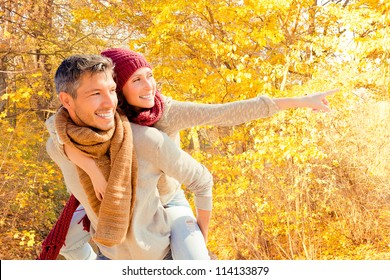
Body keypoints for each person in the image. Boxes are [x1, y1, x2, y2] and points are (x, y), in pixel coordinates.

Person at [40, 48, 336, 260]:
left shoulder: (165, 114)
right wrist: (89, 167)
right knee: (63, 240)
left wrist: (298, 101)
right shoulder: (107, 110)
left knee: (192, 256)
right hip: (123, 194)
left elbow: (227, 113)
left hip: (168, 198)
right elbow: (58, 128)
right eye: (136, 80)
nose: (149, 86)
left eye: (150, 76)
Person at [42, 54, 213, 260]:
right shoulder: (58, 147)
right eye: (96, 93)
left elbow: (201, 181)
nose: (109, 103)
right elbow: (57, 130)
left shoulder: (145, 140)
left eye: (112, 90)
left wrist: (200, 242)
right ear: (66, 100)